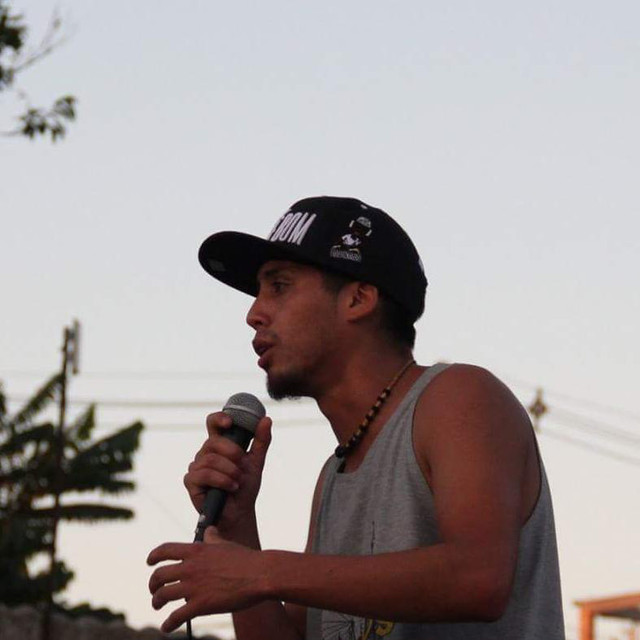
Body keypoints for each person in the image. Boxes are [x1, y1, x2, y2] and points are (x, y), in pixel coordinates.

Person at [147, 196, 565, 640]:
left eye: (279, 286)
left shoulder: (459, 397)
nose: (254, 314)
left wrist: (262, 571)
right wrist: (238, 529)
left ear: (358, 299)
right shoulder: (335, 476)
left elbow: (480, 578)